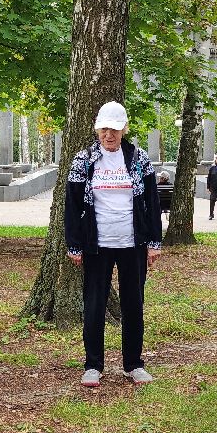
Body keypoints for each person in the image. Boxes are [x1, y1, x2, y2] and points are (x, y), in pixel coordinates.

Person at [65, 101, 162, 389]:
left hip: (132, 242)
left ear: (124, 130)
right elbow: (72, 205)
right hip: (97, 244)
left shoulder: (138, 159)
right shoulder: (84, 160)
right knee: (94, 304)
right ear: (97, 129)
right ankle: (93, 365)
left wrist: (154, 242)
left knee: (134, 303)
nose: (109, 135)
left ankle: (133, 364)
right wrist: (74, 244)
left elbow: (152, 202)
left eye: (115, 130)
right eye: (105, 129)